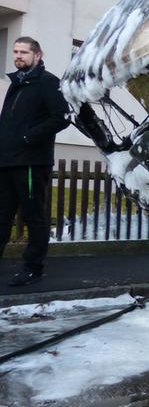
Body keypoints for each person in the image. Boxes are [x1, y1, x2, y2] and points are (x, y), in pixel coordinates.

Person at [0, 37, 70, 286]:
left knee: (34, 216)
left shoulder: (47, 82)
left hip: (31, 162)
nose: (18, 56)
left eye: (23, 52)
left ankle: (33, 268)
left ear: (37, 56)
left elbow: (62, 116)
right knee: (2, 215)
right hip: (6, 161)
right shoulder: (17, 83)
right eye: (15, 51)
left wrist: (30, 136)